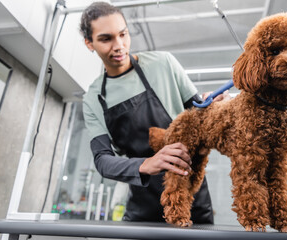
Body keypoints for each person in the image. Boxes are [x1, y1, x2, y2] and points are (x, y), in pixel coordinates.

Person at [81, 2, 221, 224]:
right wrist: (145, 164)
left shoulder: (163, 64)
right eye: (106, 39)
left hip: (189, 197)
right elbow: (102, 160)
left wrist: (215, 107)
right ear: (89, 43)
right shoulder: (94, 98)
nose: (119, 45)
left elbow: (200, 117)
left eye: (123, 34)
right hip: (142, 207)